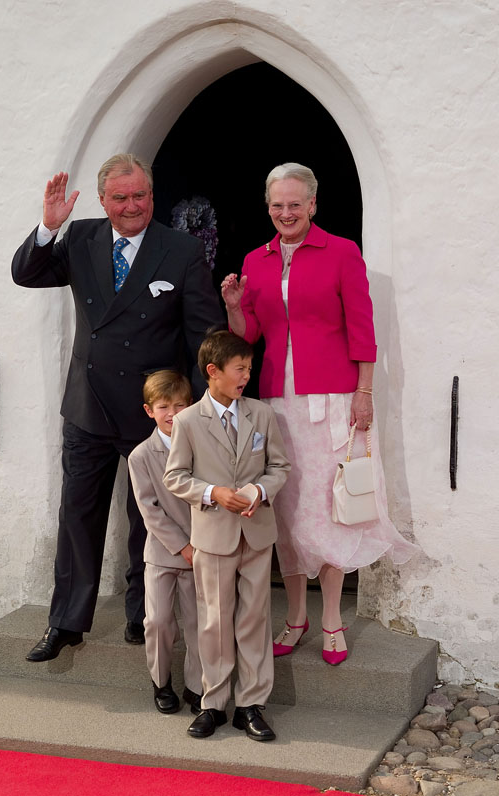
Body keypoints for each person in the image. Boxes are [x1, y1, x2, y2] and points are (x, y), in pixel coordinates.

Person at [12, 153, 222, 661]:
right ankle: (65, 623)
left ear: (153, 196)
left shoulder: (182, 249)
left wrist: (197, 408)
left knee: (148, 517)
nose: (132, 206)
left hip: (153, 412)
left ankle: (141, 614)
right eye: (121, 198)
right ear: (104, 201)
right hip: (87, 406)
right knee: (77, 515)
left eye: (141, 196)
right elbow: (27, 274)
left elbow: (205, 333)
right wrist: (47, 227)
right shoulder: (80, 238)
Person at [221, 163, 418, 666]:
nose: (286, 213)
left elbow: (362, 327)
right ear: (268, 208)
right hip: (276, 403)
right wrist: (234, 308)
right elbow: (247, 338)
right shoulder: (255, 259)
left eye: (295, 204)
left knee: (328, 511)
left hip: (332, 399)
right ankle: (294, 616)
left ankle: (331, 618)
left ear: (313, 204)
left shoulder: (342, 252)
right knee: (286, 512)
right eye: (277, 205)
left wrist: (365, 390)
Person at [164, 331, 290, 741]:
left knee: (254, 619)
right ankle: (213, 703)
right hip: (213, 535)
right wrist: (212, 493)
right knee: (215, 622)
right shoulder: (186, 421)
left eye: (250, 369)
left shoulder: (262, 415)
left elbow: (280, 467)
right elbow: (175, 476)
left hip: (256, 533)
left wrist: (259, 490)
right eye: (240, 369)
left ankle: (251, 704)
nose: (246, 377)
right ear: (213, 372)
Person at [127, 370, 202, 716]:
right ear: (149, 410)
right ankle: (161, 683)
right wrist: (182, 546)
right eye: (163, 406)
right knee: (157, 621)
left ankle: (196, 686)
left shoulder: (201, 447)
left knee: (199, 623)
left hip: (201, 552)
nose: (172, 413)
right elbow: (150, 511)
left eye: (179, 405)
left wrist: (197, 546)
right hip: (162, 554)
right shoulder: (141, 456)